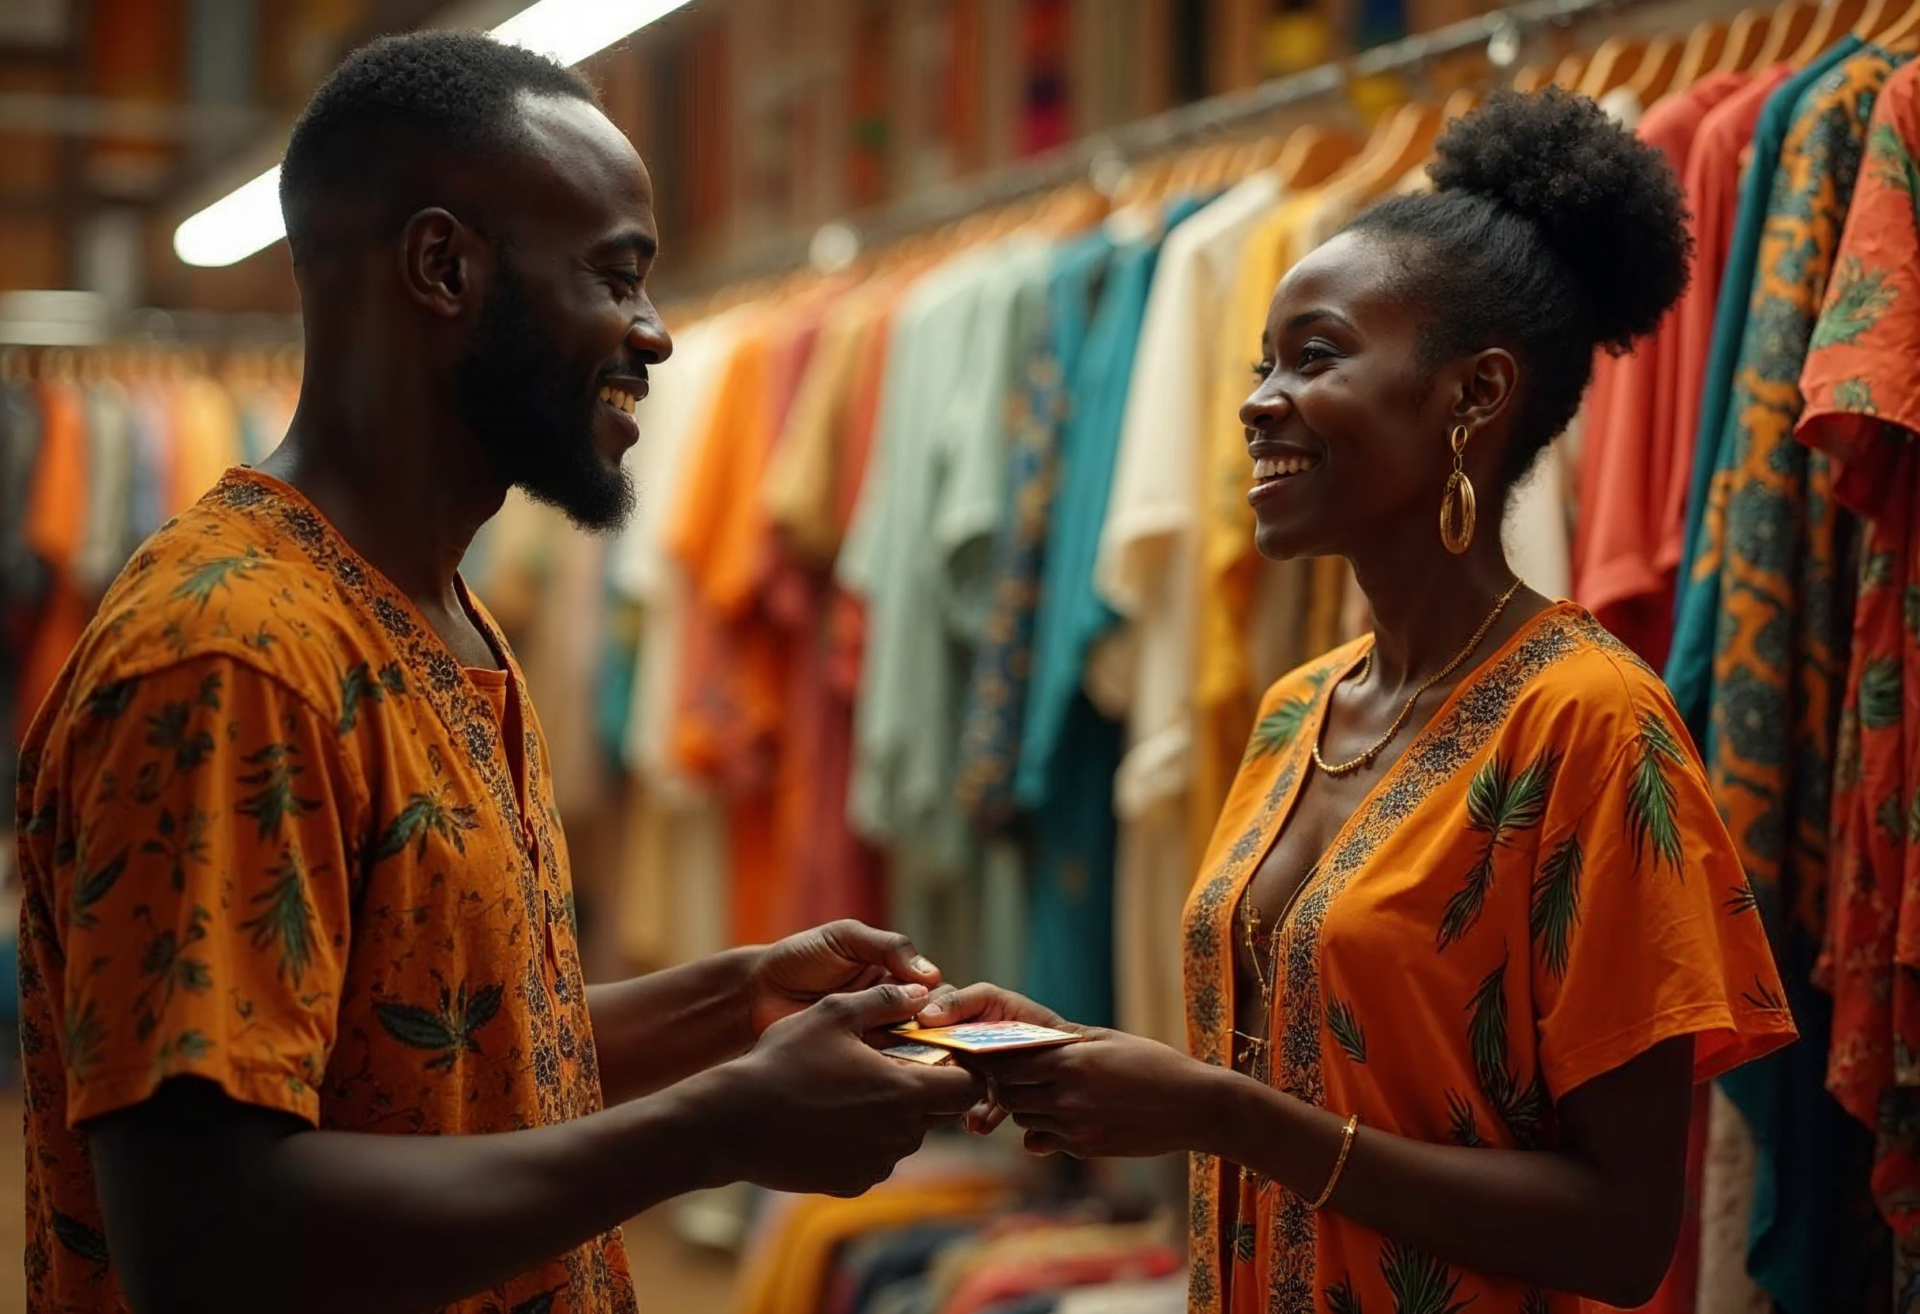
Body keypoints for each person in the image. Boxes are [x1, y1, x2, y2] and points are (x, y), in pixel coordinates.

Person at [14, 31, 983, 1314]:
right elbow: (207, 1239)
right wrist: (712, 1132)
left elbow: (444, 1045)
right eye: (616, 274)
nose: (656, 334)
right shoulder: (233, 654)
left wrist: (739, 1000)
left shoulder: (432, 614)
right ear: (443, 267)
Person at [921, 90, 1797, 1313]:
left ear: (1475, 397)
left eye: (1316, 356)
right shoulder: (1297, 713)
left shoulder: (1593, 728)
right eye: (1262, 362)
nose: (1258, 400)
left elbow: (1622, 1233)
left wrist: (1218, 1115)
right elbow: (1326, 1077)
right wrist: (1085, 1064)